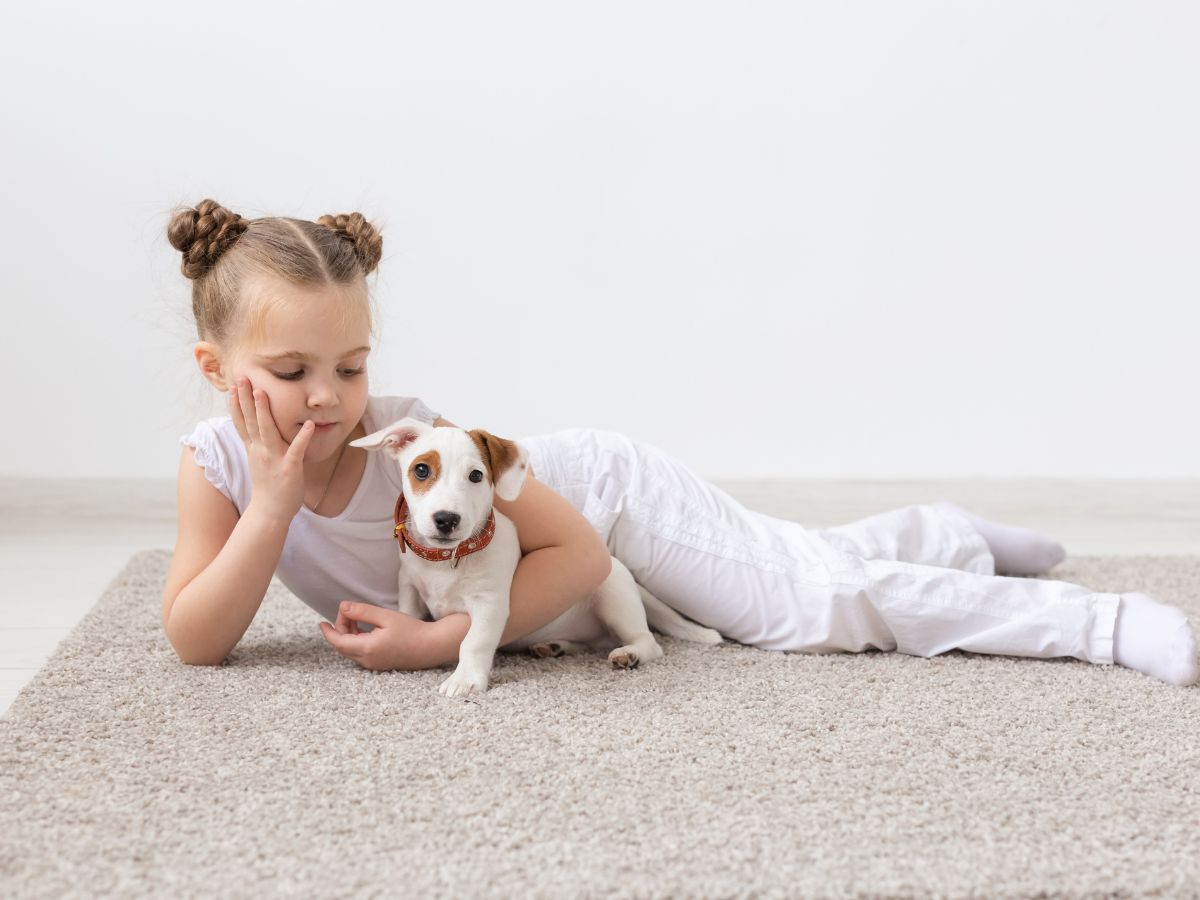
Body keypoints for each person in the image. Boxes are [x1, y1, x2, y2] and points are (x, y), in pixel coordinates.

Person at [163, 199, 1198, 688]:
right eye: (293, 374)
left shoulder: (414, 440)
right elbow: (197, 637)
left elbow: (581, 556)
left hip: (611, 501)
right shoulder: (214, 467)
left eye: (352, 365)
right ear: (218, 371)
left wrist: (442, 642)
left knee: (808, 608)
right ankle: (940, 533)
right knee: (799, 566)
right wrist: (270, 500)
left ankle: (1095, 624)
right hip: (559, 575)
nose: (332, 398)